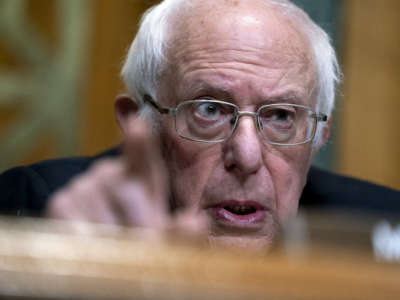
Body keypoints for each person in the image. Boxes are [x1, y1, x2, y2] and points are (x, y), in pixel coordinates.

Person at [1, 0, 399, 249]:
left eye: (280, 116)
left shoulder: (382, 232)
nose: (245, 156)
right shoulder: (39, 213)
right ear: (141, 124)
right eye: (209, 110)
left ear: (317, 138)